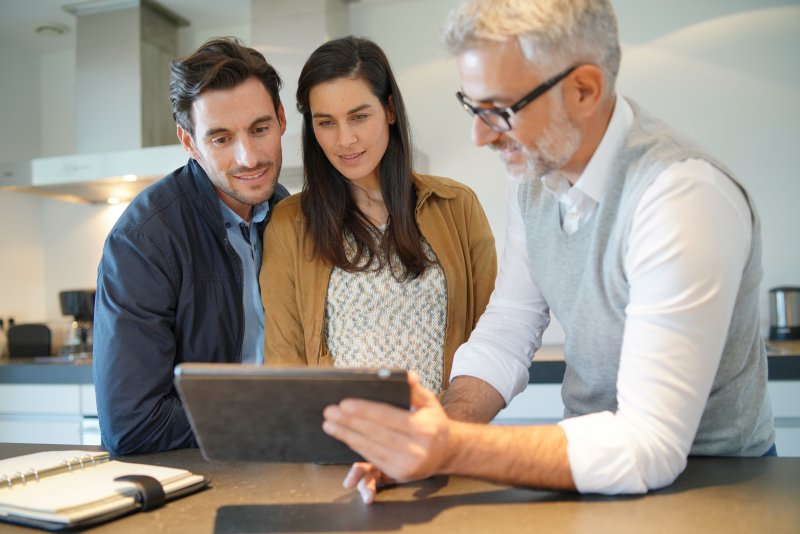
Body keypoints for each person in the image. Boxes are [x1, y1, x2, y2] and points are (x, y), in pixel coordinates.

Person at [321, 0, 775, 502]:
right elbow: (510, 326)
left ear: (584, 89)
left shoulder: (681, 195)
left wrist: (450, 447)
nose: (480, 135)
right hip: (588, 473)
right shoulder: (536, 179)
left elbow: (650, 445)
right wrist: (430, 433)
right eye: (473, 107)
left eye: (500, 110)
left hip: (712, 490)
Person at [261, 36, 496, 395]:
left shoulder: (456, 207)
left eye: (359, 117)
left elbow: (491, 339)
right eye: (326, 123)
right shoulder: (288, 224)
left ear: (388, 110)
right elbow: (285, 361)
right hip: (336, 444)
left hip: (443, 436)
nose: (345, 140)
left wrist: (454, 430)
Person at [93, 37, 290, 455]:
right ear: (189, 142)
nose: (249, 157)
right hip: (199, 477)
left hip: (296, 459)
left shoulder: (293, 216)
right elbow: (132, 424)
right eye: (220, 139)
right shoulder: (144, 240)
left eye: (260, 129)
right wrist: (272, 415)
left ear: (282, 120)